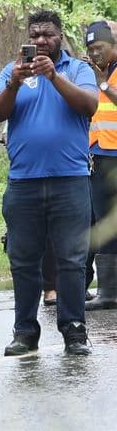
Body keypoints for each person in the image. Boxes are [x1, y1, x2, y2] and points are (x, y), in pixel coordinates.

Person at [0, 10, 96, 356]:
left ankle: (74, 331)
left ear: (60, 37)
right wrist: (14, 83)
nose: (40, 41)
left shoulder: (77, 69)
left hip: (71, 181)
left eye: (47, 34)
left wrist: (53, 77)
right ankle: (24, 332)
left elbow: (89, 105)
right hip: (24, 183)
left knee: (72, 259)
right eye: (34, 35)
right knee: (23, 260)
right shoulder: (12, 71)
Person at [84, 20, 117, 310]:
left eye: (100, 48)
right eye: (91, 49)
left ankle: (109, 293)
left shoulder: (107, 76)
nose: (95, 54)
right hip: (101, 153)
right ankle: (107, 288)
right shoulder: (101, 72)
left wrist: (102, 83)